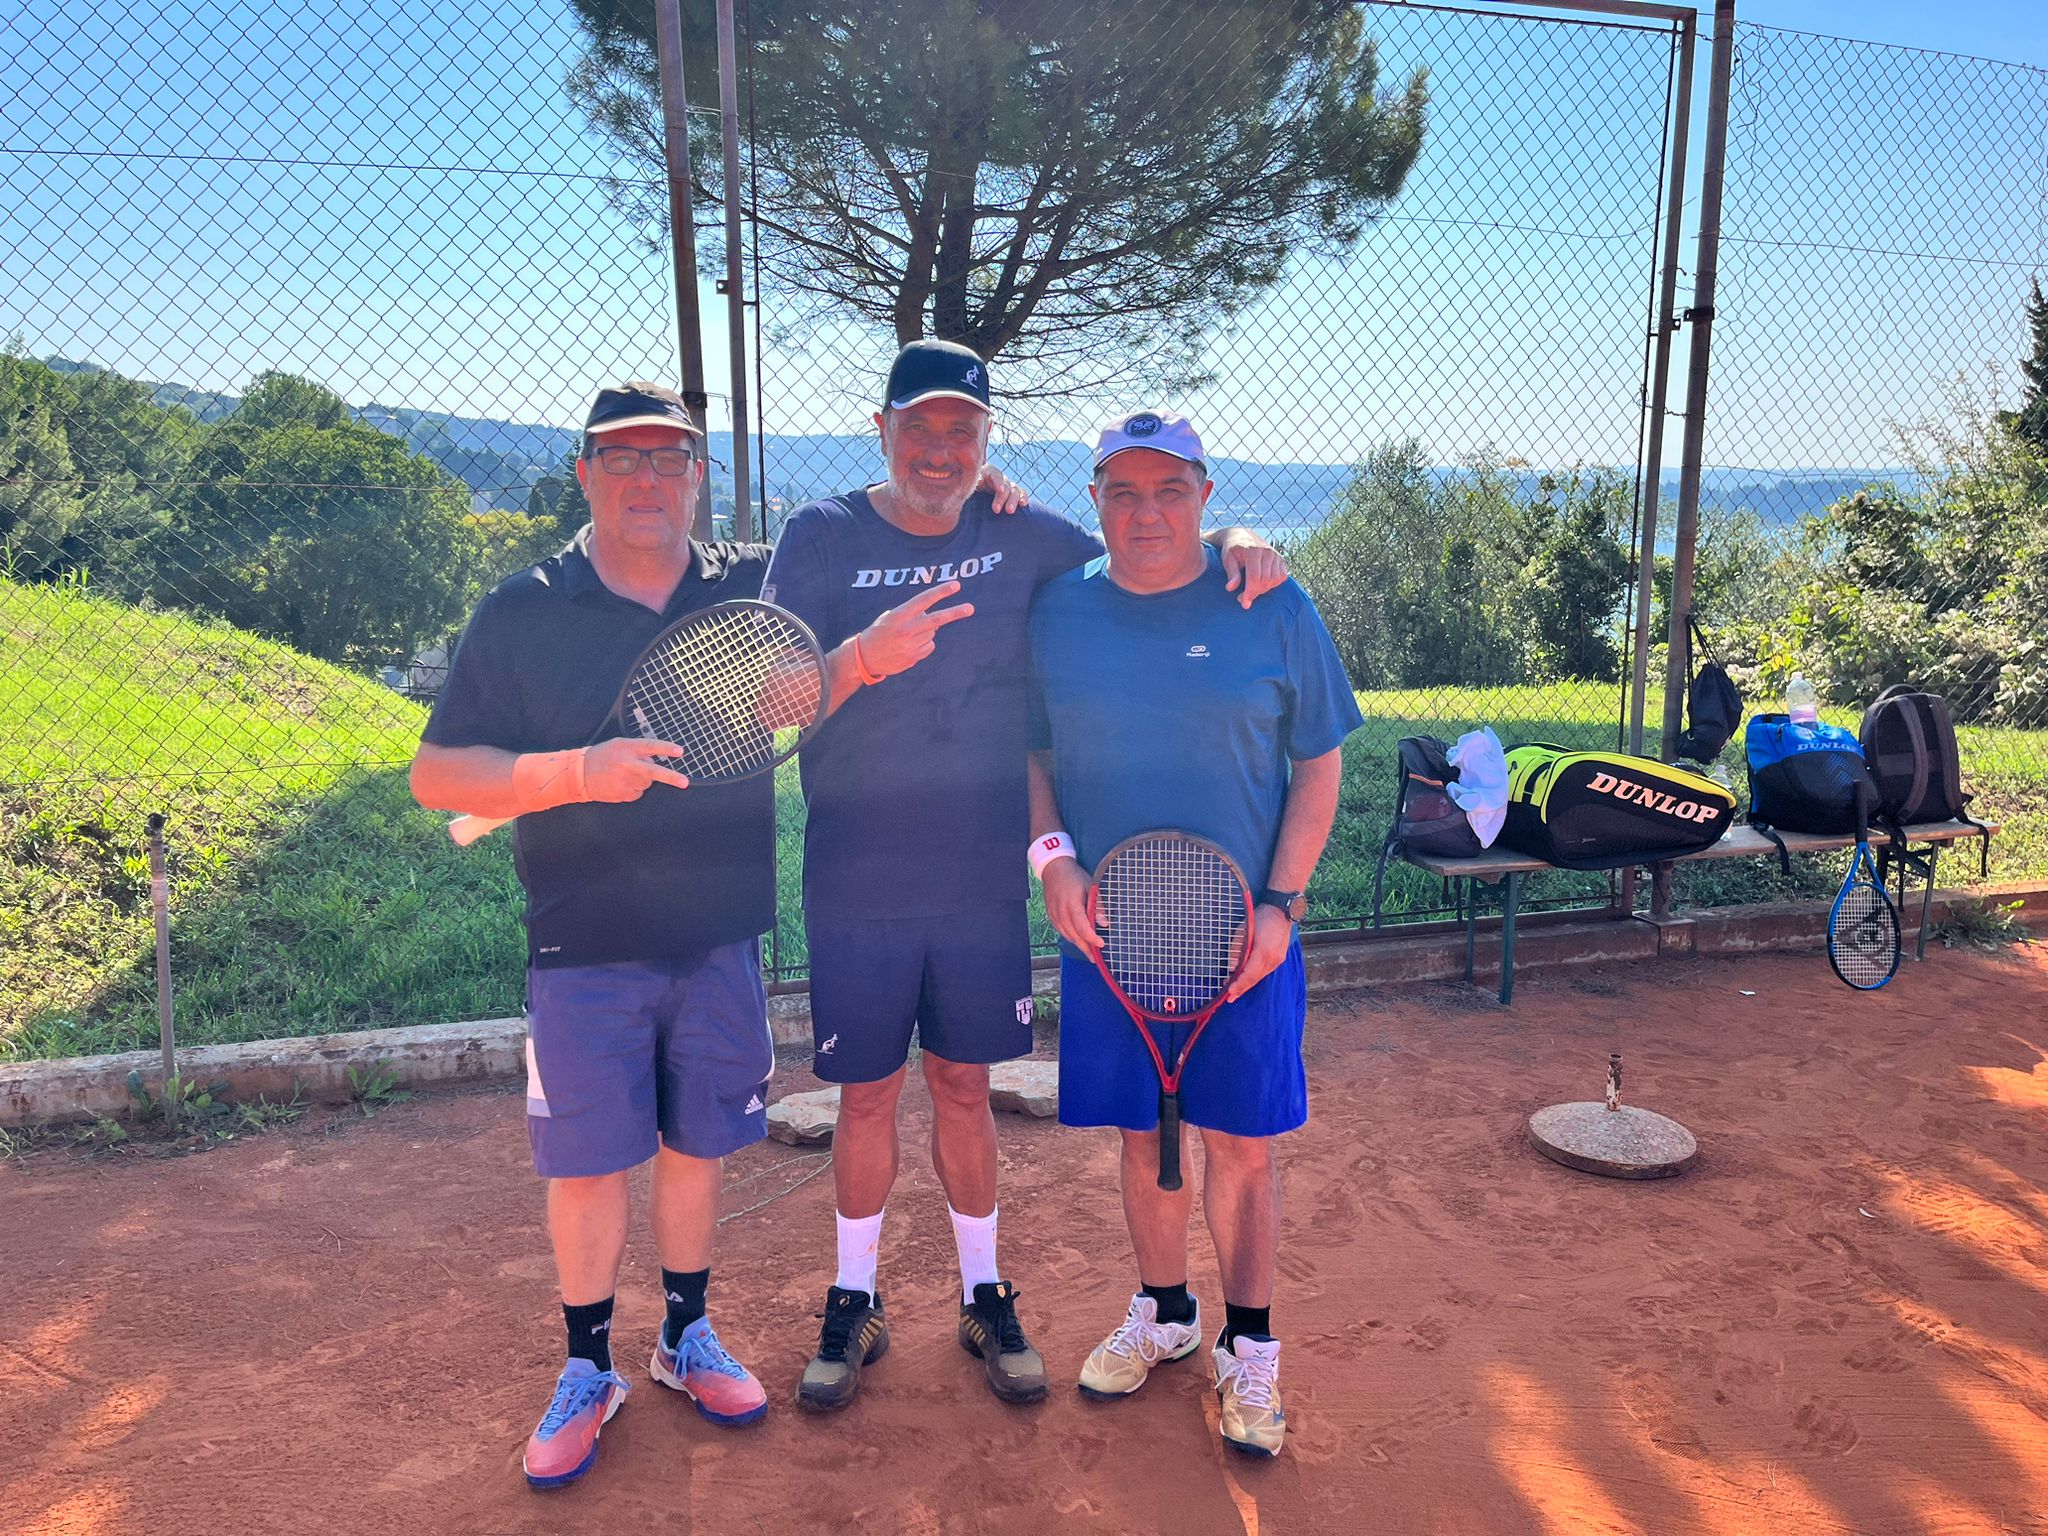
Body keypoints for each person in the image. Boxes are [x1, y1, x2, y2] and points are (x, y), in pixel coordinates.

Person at [761, 342, 1288, 1412]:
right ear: (880, 430)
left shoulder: (1023, 535)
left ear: (986, 439)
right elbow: (772, 701)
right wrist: (861, 657)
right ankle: (852, 1300)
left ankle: (983, 1295)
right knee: (865, 1096)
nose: (939, 449)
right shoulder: (819, 534)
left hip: (980, 875)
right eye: (918, 427)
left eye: (961, 430)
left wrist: (1236, 536)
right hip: (857, 872)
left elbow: (1143, 548)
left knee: (964, 1088)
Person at [409, 382, 778, 1488]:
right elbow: (439, 775)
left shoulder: (754, 584)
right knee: (586, 1163)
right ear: (584, 473)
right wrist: (576, 772)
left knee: (697, 1146)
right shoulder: (521, 609)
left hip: (718, 931)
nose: (645, 477)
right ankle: (587, 1366)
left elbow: (884, 547)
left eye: (668, 457)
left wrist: (990, 484)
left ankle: (685, 1337)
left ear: (697, 475)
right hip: (581, 940)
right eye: (621, 457)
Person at [1026, 409, 1362, 1459]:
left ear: (1206, 496)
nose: (1146, 513)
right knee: (1142, 1137)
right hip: (1110, 934)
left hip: (1242, 937)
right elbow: (1033, 753)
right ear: (1093, 500)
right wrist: (1053, 859)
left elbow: (1319, 765)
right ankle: (1166, 1314)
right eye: (1122, 492)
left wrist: (1280, 904)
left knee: (1242, 1148)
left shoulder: (1271, 601)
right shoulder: (1056, 610)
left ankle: (1249, 1347)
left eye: (1170, 491)